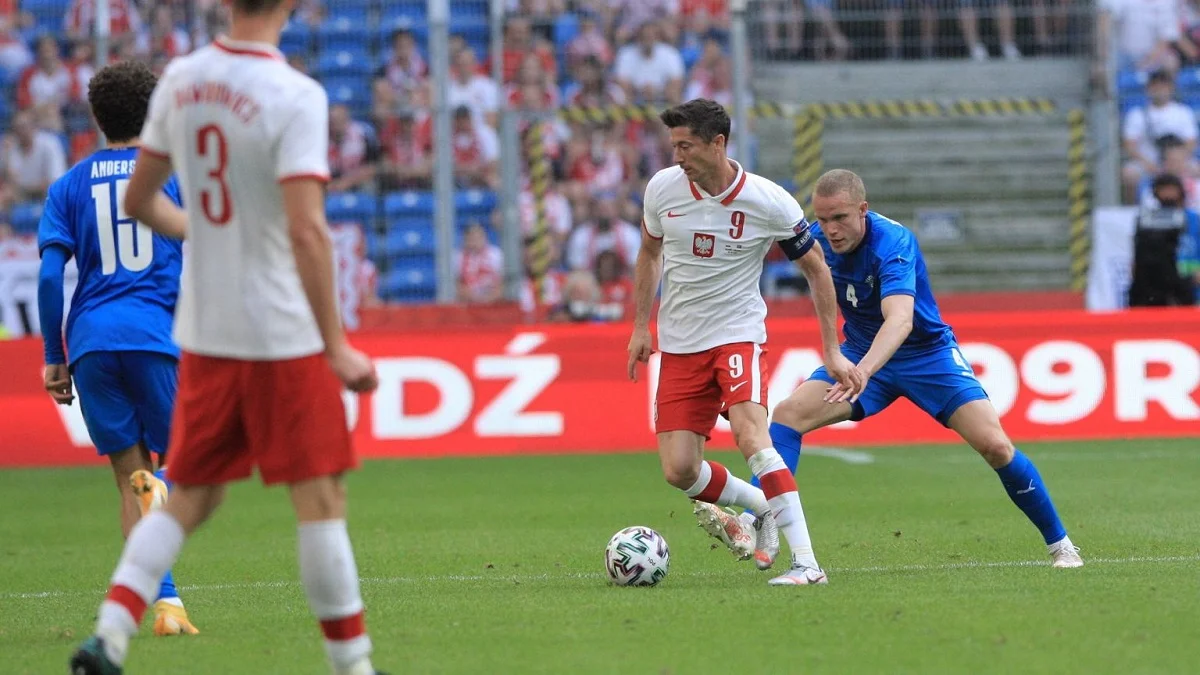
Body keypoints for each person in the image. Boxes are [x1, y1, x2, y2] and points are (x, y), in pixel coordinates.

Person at [69, 1, 384, 674]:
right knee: (319, 497)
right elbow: (307, 229)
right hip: (278, 328)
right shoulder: (294, 94)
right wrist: (336, 345)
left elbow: (139, 201)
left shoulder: (183, 80)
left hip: (206, 331)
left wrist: (208, 234)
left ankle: (109, 636)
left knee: (189, 496)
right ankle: (353, 665)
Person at [742, 169, 1083, 571]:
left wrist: (863, 370)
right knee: (787, 415)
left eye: (840, 218)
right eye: (823, 218)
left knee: (996, 446)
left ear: (863, 210)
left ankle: (1061, 545)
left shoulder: (893, 242)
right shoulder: (815, 240)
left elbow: (900, 319)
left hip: (926, 356)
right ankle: (756, 515)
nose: (830, 229)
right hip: (861, 352)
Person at [626, 99, 865, 586]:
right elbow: (649, 253)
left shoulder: (768, 201)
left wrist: (831, 350)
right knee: (679, 470)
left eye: (686, 146)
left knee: (752, 436)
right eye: (674, 146)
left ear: (718, 144)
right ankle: (761, 507)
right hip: (680, 344)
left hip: (737, 335)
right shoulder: (662, 189)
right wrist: (639, 326)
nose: (677, 156)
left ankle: (807, 564)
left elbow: (817, 269)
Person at [36, 61, 199, 640]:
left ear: (96, 117)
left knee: (132, 480)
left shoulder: (68, 186)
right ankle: (165, 491)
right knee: (187, 467)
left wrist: (54, 353)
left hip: (91, 343)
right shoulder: (172, 176)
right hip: (155, 334)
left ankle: (168, 605)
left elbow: (50, 277)